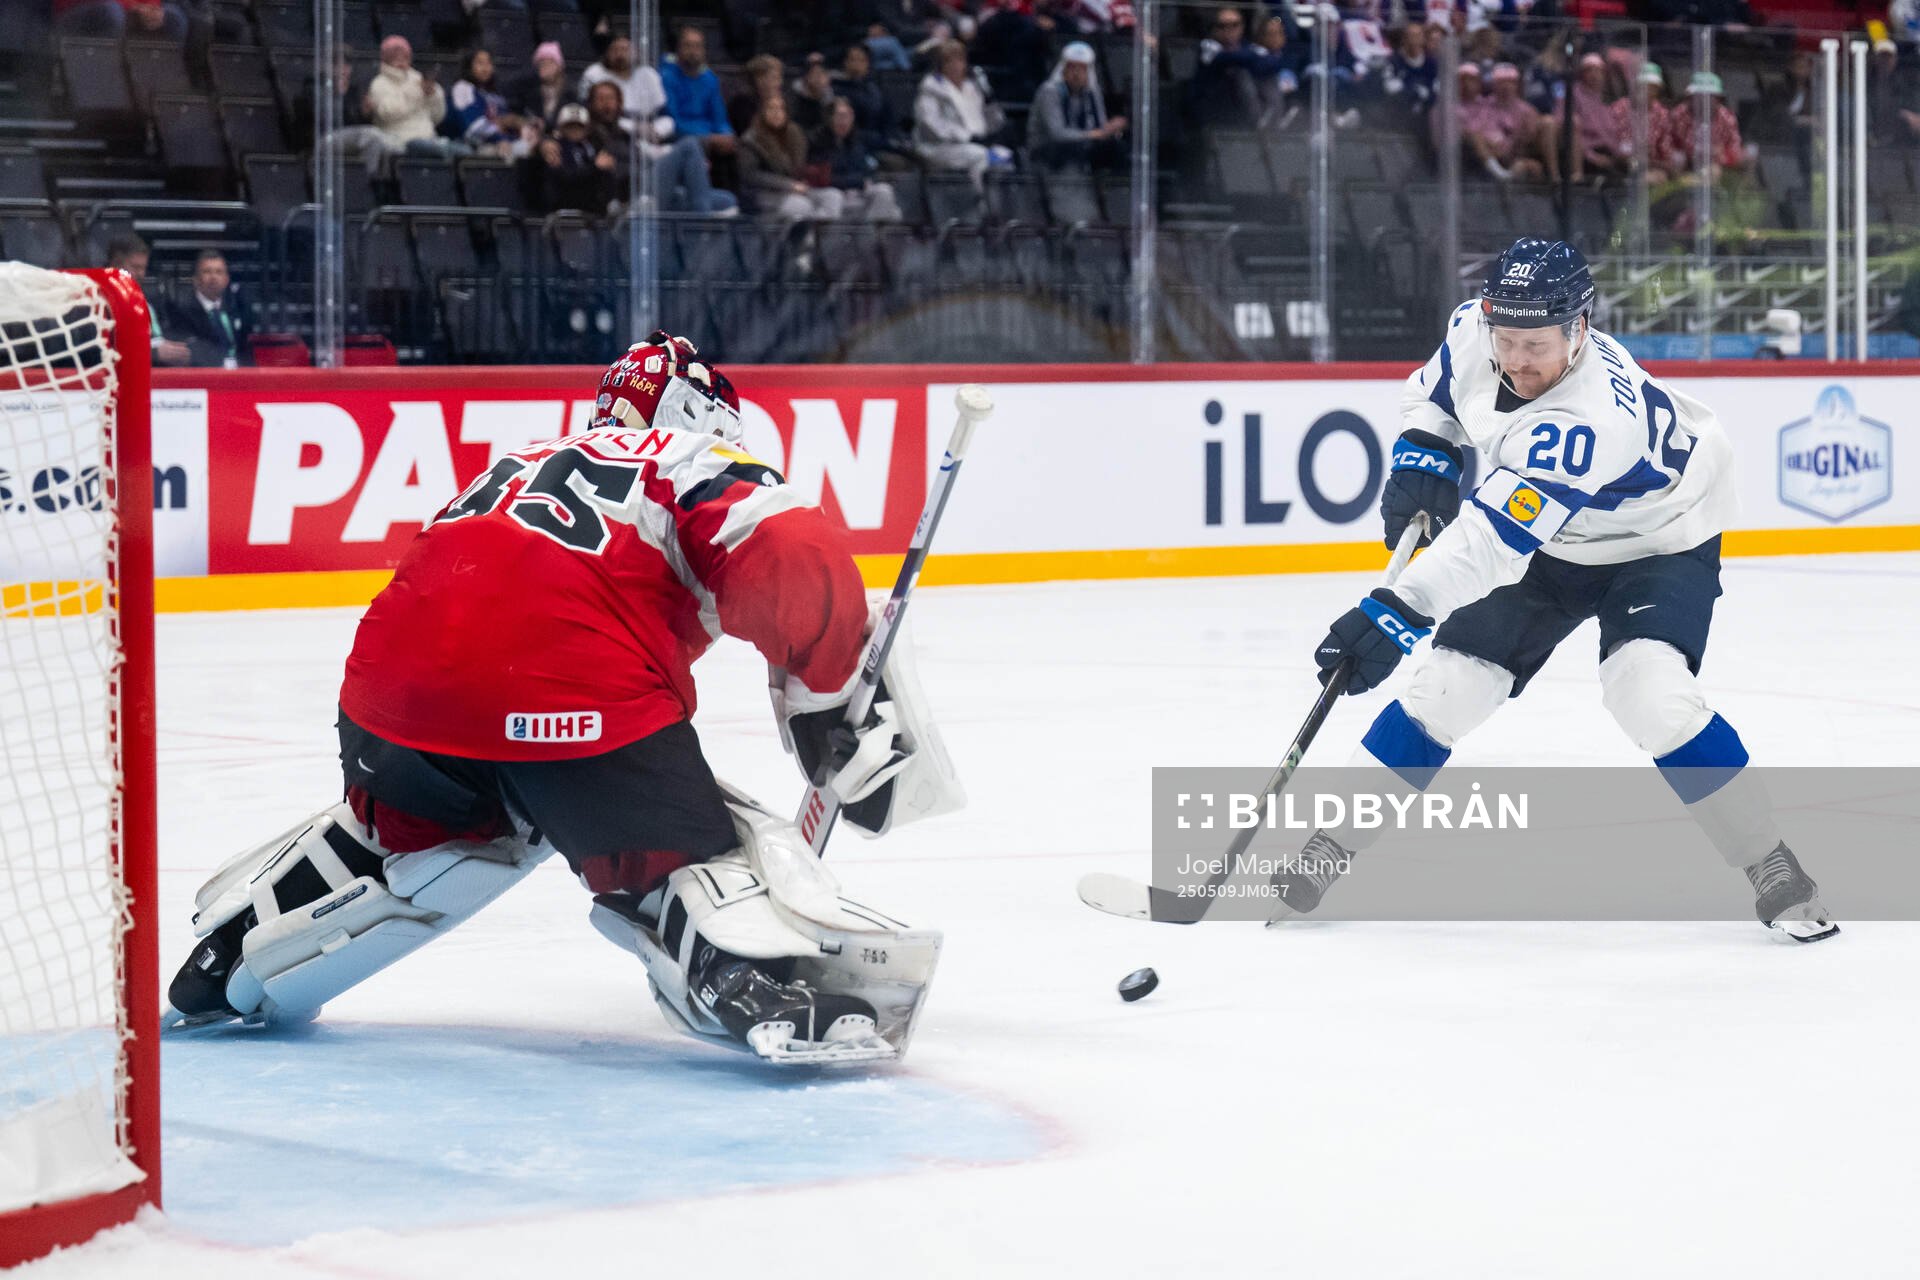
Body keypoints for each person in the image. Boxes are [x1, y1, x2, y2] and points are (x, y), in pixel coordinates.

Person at [161, 334, 957, 1066]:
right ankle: (752, 980)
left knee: (412, 832)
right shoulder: (688, 458)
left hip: (385, 707)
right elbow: (787, 548)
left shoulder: (521, 460)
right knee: (691, 857)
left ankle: (235, 943)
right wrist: (825, 704)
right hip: (564, 708)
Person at [1295, 238, 1837, 943]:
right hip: (1554, 538)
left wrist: (1396, 612)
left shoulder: (1587, 421)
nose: (1518, 360)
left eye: (1538, 344)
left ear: (1579, 330)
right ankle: (1327, 846)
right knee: (1449, 687)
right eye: (1507, 339)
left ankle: (1771, 861)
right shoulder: (1472, 330)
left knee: (1649, 693)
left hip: (1659, 540)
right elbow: (1431, 393)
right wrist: (1423, 450)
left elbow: (1490, 542)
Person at [913, 39, 1011, 186]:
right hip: (939, 147)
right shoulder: (931, 88)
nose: (955, 66)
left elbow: (993, 123)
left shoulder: (973, 87)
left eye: (959, 60)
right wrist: (965, 137)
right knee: (979, 156)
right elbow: (930, 125)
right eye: (949, 62)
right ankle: (981, 204)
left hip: (976, 144)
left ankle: (1000, 203)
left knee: (1005, 156)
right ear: (941, 65)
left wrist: (990, 101)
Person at [1027, 41, 1127, 173]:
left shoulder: (1092, 92)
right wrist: (1092, 135)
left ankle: (1114, 189)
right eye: (1072, 67)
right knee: (1071, 148)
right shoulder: (1050, 91)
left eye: (1082, 69)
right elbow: (1056, 133)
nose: (1076, 73)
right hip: (1048, 147)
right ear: (1063, 69)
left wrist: (1110, 129)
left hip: (1083, 144)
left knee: (1118, 147)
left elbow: (1100, 129)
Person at [740, 96, 843, 220]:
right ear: (762, 112)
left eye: (781, 109)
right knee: (800, 205)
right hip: (764, 193)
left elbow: (802, 165)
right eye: (771, 108)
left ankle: (821, 237)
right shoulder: (751, 139)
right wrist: (789, 185)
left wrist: (811, 174)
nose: (777, 113)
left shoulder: (795, 134)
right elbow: (751, 176)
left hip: (797, 187)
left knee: (833, 196)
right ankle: (799, 238)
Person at [363, 36, 455, 164]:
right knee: (437, 150)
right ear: (386, 58)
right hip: (399, 140)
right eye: (395, 54)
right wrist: (417, 93)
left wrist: (432, 95)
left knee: (464, 151)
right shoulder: (379, 83)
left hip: (429, 138)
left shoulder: (419, 79)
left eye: (404, 54)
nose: (400, 58)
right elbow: (387, 113)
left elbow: (437, 117)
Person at [105, 233, 192, 368]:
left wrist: (177, 351)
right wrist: (154, 354)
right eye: (135, 267)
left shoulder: (148, 301)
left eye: (143, 268)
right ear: (116, 265)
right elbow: (100, 349)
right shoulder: (98, 301)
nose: (141, 274)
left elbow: (161, 337)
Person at [810, 96, 902, 220]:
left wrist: (863, 180)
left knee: (884, 192)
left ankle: (870, 237)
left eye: (848, 116)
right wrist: (857, 181)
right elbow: (824, 178)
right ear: (829, 118)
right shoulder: (817, 141)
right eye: (840, 116)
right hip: (828, 191)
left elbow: (867, 171)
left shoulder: (858, 140)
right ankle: (828, 238)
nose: (844, 121)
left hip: (856, 190)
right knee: (833, 197)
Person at [162, 250, 251, 368]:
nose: (213, 277)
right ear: (196, 279)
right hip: (203, 377)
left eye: (219, 272)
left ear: (226, 279)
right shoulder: (181, 311)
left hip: (240, 376)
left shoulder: (236, 308)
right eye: (207, 272)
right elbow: (193, 350)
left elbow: (245, 350)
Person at [661, 25, 736, 161]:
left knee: (733, 146)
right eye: (687, 46)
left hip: (711, 139)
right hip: (679, 138)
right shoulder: (667, 77)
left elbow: (719, 118)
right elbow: (672, 121)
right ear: (678, 49)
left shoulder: (710, 79)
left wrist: (726, 134)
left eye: (697, 46)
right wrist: (708, 138)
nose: (692, 51)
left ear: (704, 51)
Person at [535, 102, 617, 214]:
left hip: (593, 208)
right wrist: (595, 167)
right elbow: (564, 177)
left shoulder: (593, 146)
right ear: (561, 128)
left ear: (587, 128)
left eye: (579, 126)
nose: (575, 130)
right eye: (570, 126)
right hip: (564, 207)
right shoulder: (554, 148)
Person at [448, 49, 526, 156]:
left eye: (488, 63)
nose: (485, 68)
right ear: (469, 67)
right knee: (524, 150)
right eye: (480, 63)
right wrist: (500, 138)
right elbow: (472, 128)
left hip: (501, 142)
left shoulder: (495, 94)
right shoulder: (462, 88)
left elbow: (505, 122)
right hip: (471, 145)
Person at [509, 41, 573, 134]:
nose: (544, 66)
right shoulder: (526, 92)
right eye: (541, 63)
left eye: (549, 62)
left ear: (559, 66)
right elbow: (516, 115)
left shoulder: (570, 94)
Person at [54, 0, 189, 41]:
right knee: (112, 12)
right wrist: (134, 7)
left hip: (127, 11)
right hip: (73, 14)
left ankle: (162, 93)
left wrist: (153, 9)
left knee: (173, 18)